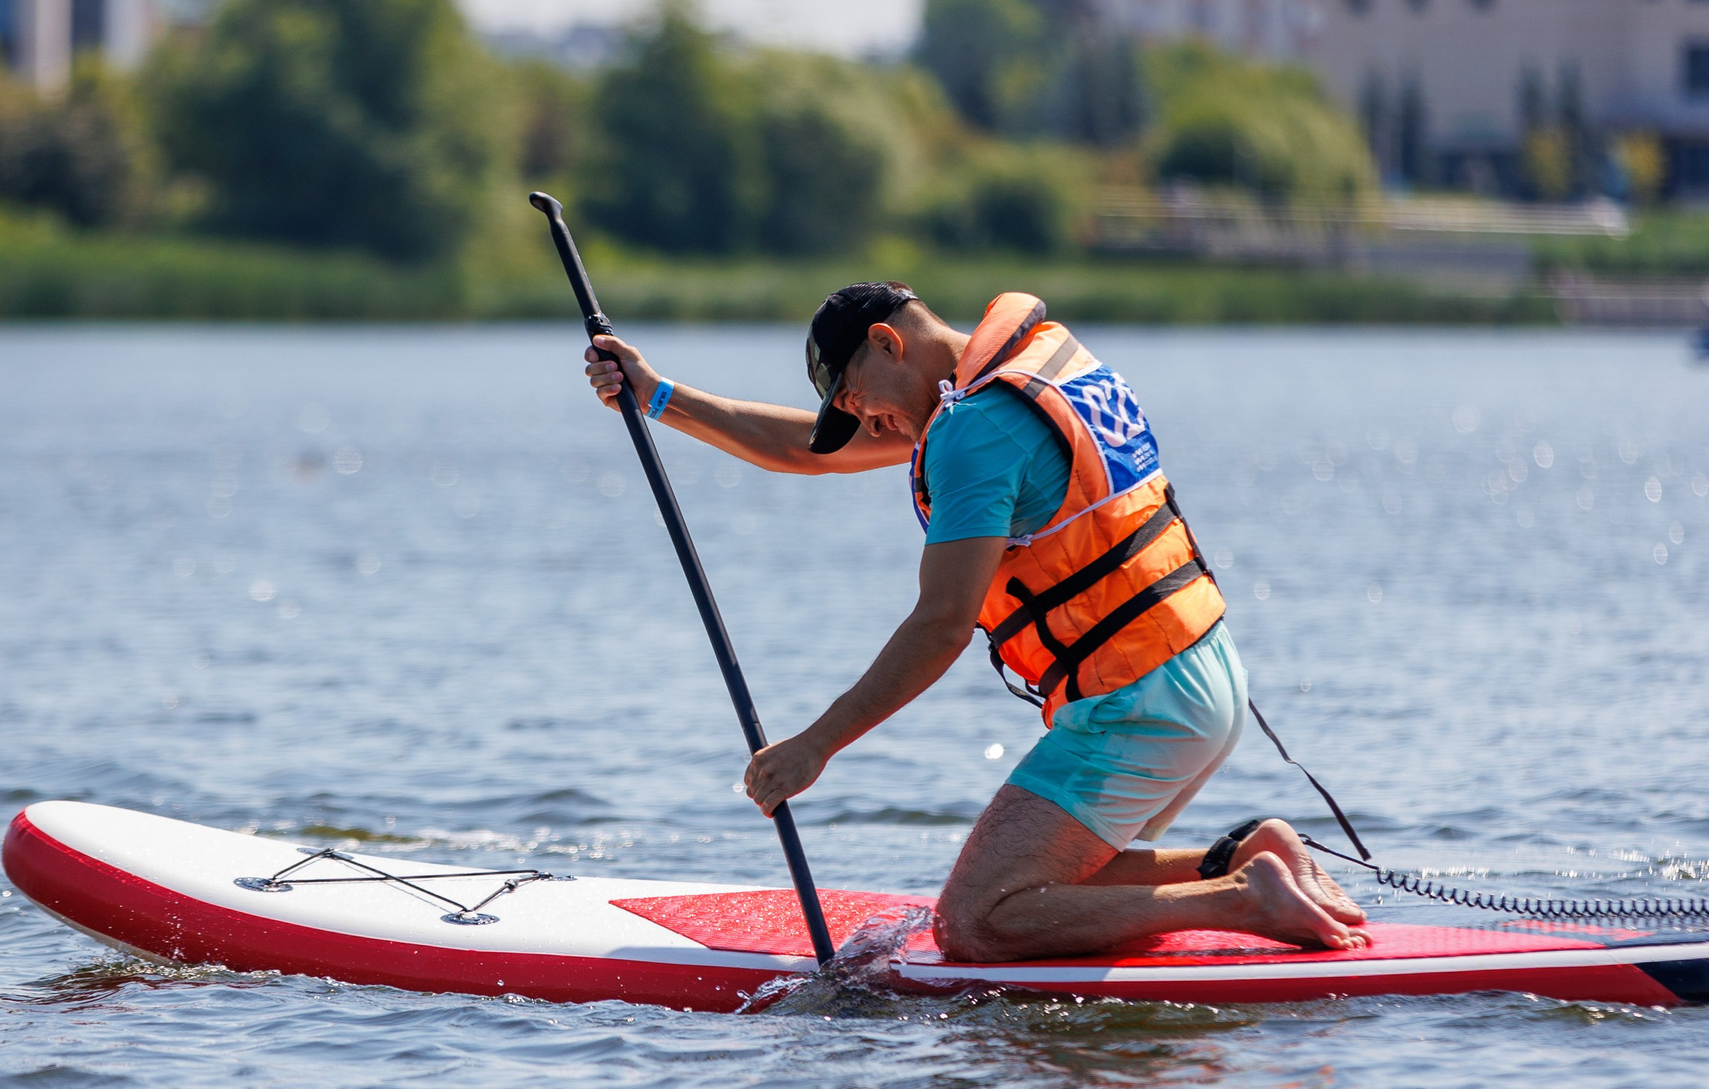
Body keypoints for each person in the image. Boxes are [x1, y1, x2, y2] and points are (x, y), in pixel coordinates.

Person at [582, 285, 1368, 964]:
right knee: (1050, 877)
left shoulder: (974, 432)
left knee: (976, 921)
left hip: (1139, 705)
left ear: (887, 342)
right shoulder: (1031, 371)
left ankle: (1245, 902)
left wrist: (813, 745)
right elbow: (811, 451)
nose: (869, 423)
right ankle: (1245, 856)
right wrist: (657, 397)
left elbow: (941, 625)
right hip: (1203, 674)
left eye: (859, 400)